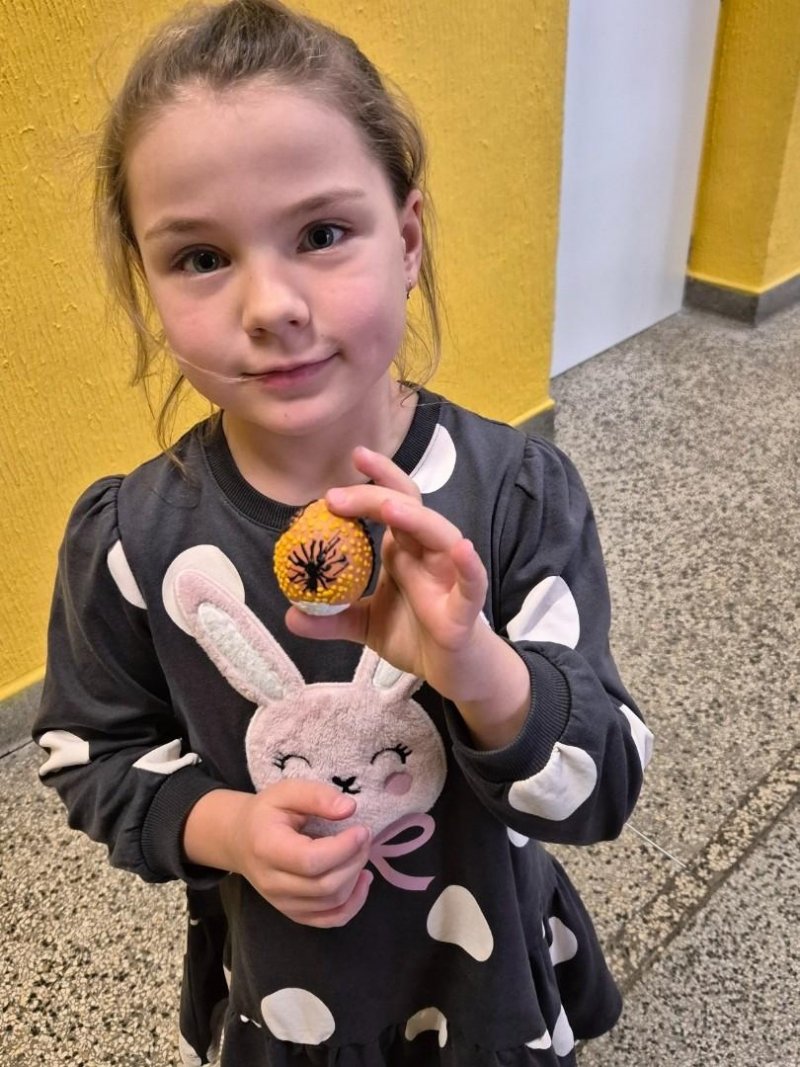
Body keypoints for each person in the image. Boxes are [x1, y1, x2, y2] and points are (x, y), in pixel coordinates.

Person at [33, 2, 654, 1064]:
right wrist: (229, 829)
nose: (270, 304)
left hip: (486, 971)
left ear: (405, 239)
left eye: (321, 234)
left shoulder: (513, 497)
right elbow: (92, 756)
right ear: (146, 283)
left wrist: (477, 668)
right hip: (286, 992)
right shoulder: (134, 542)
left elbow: (601, 785)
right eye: (200, 256)